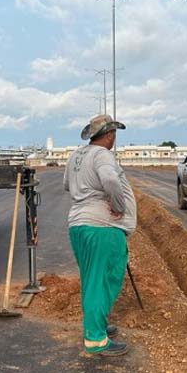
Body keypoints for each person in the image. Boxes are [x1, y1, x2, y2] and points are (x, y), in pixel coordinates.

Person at [63, 114, 137, 357]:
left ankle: (98, 324)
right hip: (101, 226)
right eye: (114, 134)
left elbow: (67, 185)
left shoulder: (77, 155)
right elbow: (109, 180)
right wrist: (118, 206)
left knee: (91, 279)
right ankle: (95, 339)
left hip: (78, 225)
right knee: (106, 277)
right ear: (109, 135)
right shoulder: (103, 155)